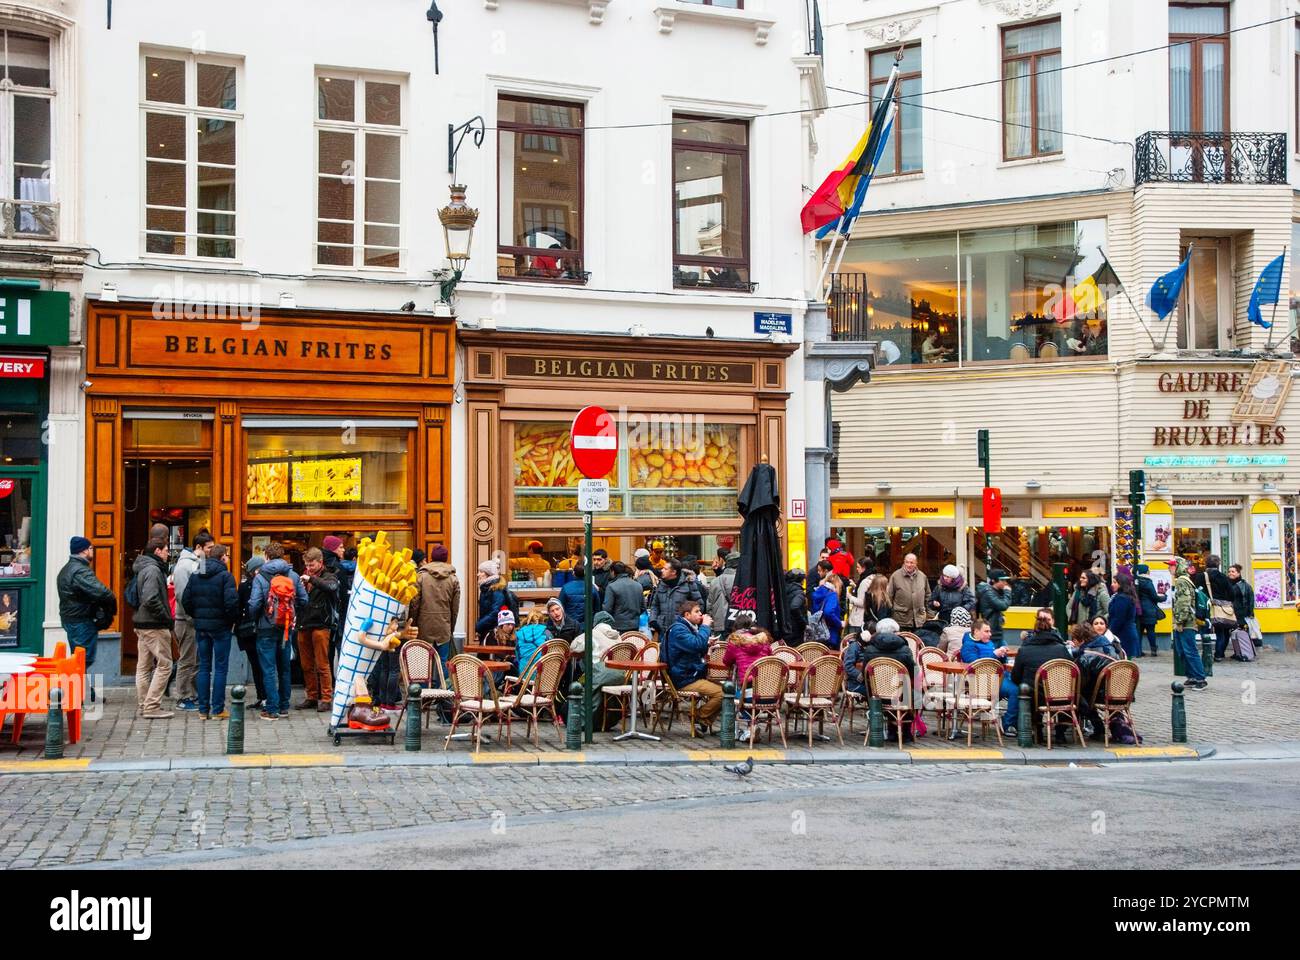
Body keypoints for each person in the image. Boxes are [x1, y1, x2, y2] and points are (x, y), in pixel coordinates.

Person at [247, 542, 309, 720]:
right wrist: (292, 613)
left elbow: (255, 603)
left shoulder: (260, 576)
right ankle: (283, 707)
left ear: (266, 556)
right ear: (283, 556)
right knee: (284, 668)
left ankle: (271, 708)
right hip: (286, 628)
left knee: (268, 669)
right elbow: (304, 600)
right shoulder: (294, 575)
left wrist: (257, 618)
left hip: (266, 628)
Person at [180, 543, 239, 719]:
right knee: (220, 668)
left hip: (202, 627)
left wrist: (197, 616)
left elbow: (186, 600)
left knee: (204, 667)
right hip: (221, 628)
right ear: (222, 558)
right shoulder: (225, 576)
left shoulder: (197, 574)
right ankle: (218, 709)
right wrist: (231, 621)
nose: (228, 558)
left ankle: (203, 710)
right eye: (227, 556)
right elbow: (231, 603)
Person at [56, 536, 115, 702]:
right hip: (80, 620)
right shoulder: (79, 570)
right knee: (82, 659)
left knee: (80, 657)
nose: (92, 551)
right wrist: (111, 605)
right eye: (91, 548)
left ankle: (84, 693)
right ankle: (70, 692)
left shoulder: (68, 568)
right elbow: (101, 592)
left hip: (73, 618)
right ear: (83, 550)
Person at [170, 530, 214, 712]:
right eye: (209, 548)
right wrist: (192, 616)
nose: (211, 550)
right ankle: (182, 696)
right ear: (198, 547)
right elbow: (181, 595)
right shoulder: (183, 566)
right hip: (185, 620)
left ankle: (194, 694)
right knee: (187, 660)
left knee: (197, 661)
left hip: (197, 620)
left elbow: (204, 589)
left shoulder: (200, 563)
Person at [663, 600, 722, 734]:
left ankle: (703, 720)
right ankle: (698, 717)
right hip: (683, 678)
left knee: (726, 691)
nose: (701, 614)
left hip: (689, 674)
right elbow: (696, 645)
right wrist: (705, 627)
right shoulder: (679, 630)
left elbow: (694, 648)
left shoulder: (686, 628)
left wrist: (707, 644)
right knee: (723, 694)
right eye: (697, 611)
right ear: (687, 615)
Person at [132, 538, 175, 720]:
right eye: (166, 550)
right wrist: (165, 616)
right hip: (153, 624)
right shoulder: (153, 569)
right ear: (158, 551)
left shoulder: (143, 568)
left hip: (142, 623)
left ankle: (144, 704)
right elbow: (150, 598)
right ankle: (151, 706)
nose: (168, 554)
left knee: (144, 666)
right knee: (165, 665)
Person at [295, 547, 338, 712]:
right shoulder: (305, 576)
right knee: (306, 665)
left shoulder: (330, 575)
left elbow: (331, 587)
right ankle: (311, 696)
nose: (309, 568)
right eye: (306, 565)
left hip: (321, 625)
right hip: (304, 623)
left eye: (311, 564)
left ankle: (326, 698)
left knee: (322, 664)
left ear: (320, 562)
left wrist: (311, 579)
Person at [959, 617, 1017, 735]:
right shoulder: (968, 646)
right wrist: (994, 654)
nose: (990, 634)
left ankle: (1020, 722)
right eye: (986, 631)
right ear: (976, 631)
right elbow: (975, 666)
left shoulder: (989, 643)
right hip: (982, 682)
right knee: (1016, 690)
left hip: (998, 677)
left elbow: (997, 662)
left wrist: (1002, 654)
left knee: (1024, 685)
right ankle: (1008, 723)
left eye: (990, 631)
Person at [1011, 609, 1071, 721]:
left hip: (1034, 697)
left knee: (1025, 689)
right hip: (1059, 696)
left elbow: (1015, 677)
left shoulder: (1025, 650)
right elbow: (1071, 672)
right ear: (1051, 628)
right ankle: (1061, 732)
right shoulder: (1061, 649)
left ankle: (1034, 729)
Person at [408, 544, 460, 671]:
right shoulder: (453, 578)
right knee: (443, 662)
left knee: (423, 663)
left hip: (424, 625)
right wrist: (451, 626)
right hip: (444, 625)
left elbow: (415, 603)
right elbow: (455, 607)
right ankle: (442, 689)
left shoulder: (421, 576)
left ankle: (424, 690)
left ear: (431, 557)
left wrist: (413, 623)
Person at [234, 555, 268, 710]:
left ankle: (262, 697)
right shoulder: (266, 583)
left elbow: (238, 607)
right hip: (263, 628)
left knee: (256, 665)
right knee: (266, 665)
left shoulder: (244, 586)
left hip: (248, 631)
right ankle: (267, 697)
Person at [1170, 558, 1206, 689]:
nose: (1170, 568)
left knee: (1189, 650)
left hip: (1186, 623)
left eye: (1172, 566)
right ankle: (1192, 676)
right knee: (1183, 650)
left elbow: (1183, 602)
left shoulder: (1181, 581)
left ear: (1178, 567)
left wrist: (1180, 621)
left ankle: (1200, 678)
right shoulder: (1185, 579)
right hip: (1186, 621)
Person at [648, 558, 703, 641]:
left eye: (665, 569)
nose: (662, 570)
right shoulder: (661, 584)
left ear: (673, 572)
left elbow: (699, 605)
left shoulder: (688, 583)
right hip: (663, 630)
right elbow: (655, 605)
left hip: (682, 630)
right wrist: (653, 621)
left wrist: (689, 621)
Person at [1192, 555, 1234, 661]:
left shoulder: (1200, 576)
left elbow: (1195, 592)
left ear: (1206, 564)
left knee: (1204, 631)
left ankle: (1206, 654)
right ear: (1218, 564)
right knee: (1221, 632)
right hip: (1219, 608)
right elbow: (1231, 593)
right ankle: (1219, 655)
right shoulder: (1223, 577)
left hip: (1204, 608)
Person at [475, 559, 518, 642]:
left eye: (481, 571)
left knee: (491, 654)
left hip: (496, 633)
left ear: (488, 574)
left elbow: (495, 612)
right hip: (489, 630)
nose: (478, 574)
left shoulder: (496, 590)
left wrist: (479, 625)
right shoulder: (487, 588)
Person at [886, 553, 929, 631]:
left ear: (916, 563)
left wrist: (929, 613)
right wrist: (891, 612)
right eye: (907, 562)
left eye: (912, 562)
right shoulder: (895, 576)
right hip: (901, 619)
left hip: (919, 620)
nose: (909, 565)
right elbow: (889, 596)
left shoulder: (922, 576)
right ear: (904, 562)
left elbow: (928, 595)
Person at [602, 560, 645, 634]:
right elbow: (643, 607)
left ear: (612, 572)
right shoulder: (638, 585)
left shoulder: (611, 586)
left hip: (617, 625)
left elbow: (607, 609)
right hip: (635, 625)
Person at [1107, 573, 1141, 659]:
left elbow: (1118, 619)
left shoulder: (1122, 598)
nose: (1112, 585)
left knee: (1123, 664)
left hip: (1123, 635)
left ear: (1121, 584)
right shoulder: (1122, 596)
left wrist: (1109, 633)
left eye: (1115, 582)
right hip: (1125, 633)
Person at [511, 607, 551, 677]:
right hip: (541, 675)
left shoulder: (519, 633)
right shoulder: (547, 633)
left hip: (524, 675)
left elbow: (518, 655)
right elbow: (551, 654)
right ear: (542, 620)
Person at [706, 551, 739, 636]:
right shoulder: (743, 581)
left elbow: (709, 606)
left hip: (720, 625)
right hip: (739, 624)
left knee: (721, 649)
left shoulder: (715, 581)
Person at [976, 569, 1013, 645]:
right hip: (991, 632)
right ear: (993, 580)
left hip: (996, 630)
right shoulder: (989, 593)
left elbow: (996, 607)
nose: (1005, 583)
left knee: (1003, 653)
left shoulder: (995, 591)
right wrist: (1007, 592)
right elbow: (1003, 605)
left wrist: (1001, 616)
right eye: (1002, 580)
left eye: (1005, 580)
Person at [1134, 564, 1163, 656]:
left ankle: (1138, 651)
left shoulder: (1135, 582)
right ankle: (1153, 650)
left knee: (1139, 631)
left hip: (1138, 610)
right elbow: (1154, 597)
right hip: (1149, 609)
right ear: (1145, 571)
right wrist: (1164, 597)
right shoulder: (1147, 582)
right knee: (1151, 630)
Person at [1228, 563, 1255, 658]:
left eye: (1233, 572)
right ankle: (1238, 652)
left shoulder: (1244, 585)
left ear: (1238, 573)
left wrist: (1250, 614)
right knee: (1234, 634)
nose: (1230, 573)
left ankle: (1244, 653)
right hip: (1232, 613)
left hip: (1241, 614)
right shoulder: (1229, 584)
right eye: (1229, 571)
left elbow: (1251, 600)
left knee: (1242, 635)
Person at [811, 570, 844, 648]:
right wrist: (839, 623)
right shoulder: (832, 594)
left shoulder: (818, 592)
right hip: (830, 634)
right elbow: (828, 612)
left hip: (817, 633)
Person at [559, 563, 594, 627]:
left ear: (573, 573)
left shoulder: (566, 588)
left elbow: (560, 606)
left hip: (570, 624)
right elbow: (597, 607)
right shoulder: (592, 587)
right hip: (588, 625)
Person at [784, 568, 809, 644]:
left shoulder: (783, 590)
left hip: (785, 627)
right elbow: (794, 607)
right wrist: (803, 622)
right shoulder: (799, 593)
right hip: (796, 629)